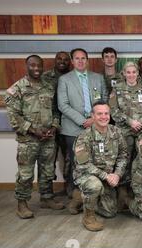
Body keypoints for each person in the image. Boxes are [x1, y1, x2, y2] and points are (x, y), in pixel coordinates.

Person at [5, 55, 65, 219]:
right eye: (33, 66)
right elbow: (13, 116)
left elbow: (55, 110)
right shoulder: (17, 88)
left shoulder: (48, 86)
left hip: (48, 138)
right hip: (29, 140)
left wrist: (53, 126)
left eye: (39, 66)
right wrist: (32, 130)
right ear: (27, 66)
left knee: (47, 170)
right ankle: (22, 204)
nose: (36, 69)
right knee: (26, 174)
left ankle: (46, 198)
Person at [58, 48, 107, 215]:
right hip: (73, 128)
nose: (80, 61)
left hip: (96, 127)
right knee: (75, 163)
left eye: (83, 58)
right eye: (77, 59)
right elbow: (62, 104)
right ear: (72, 61)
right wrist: (82, 120)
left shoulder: (98, 78)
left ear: (87, 60)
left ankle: (93, 195)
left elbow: (104, 100)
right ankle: (75, 197)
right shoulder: (64, 80)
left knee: (95, 160)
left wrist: (94, 119)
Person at [73, 101, 128, 231]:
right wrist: (106, 176)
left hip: (108, 176)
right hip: (87, 175)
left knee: (110, 212)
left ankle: (83, 198)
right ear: (92, 116)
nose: (104, 117)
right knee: (94, 186)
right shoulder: (84, 137)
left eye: (106, 113)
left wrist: (117, 174)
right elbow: (84, 164)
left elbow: (123, 155)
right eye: (99, 114)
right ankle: (88, 217)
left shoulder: (116, 132)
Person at [109, 62, 142, 211]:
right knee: (124, 161)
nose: (131, 74)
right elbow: (113, 110)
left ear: (137, 73)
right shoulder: (117, 89)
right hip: (124, 131)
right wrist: (130, 122)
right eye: (128, 72)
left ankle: (139, 192)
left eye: (133, 72)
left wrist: (140, 122)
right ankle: (123, 194)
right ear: (123, 73)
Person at [41, 51, 71, 196]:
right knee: (48, 159)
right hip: (48, 124)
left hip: (67, 122)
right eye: (59, 58)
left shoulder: (73, 77)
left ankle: (69, 187)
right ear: (55, 60)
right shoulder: (45, 77)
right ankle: (46, 194)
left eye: (66, 60)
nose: (62, 61)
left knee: (69, 157)